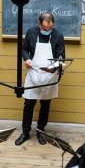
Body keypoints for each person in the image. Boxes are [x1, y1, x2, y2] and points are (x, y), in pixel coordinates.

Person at [15, 11, 66, 146]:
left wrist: (53, 68)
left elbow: (61, 57)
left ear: (53, 24)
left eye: (50, 27)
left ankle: (40, 131)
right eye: (44, 28)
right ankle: (25, 132)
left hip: (49, 75)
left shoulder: (58, 35)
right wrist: (27, 59)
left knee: (45, 105)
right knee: (29, 104)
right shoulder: (31, 32)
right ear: (39, 24)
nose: (47, 30)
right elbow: (24, 49)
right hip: (33, 72)